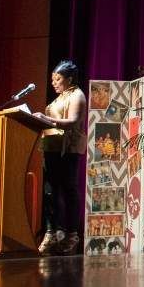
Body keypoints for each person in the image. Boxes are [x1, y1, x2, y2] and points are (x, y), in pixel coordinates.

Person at [33, 59, 87, 255]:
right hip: (52, 148)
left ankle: (72, 235)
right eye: (52, 79)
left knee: (68, 190)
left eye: (58, 79)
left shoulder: (77, 96)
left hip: (67, 150)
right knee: (50, 192)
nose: (54, 83)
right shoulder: (59, 98)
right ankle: (52, 232)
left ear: (69, 79)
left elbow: (72, 121)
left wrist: (45, 119)